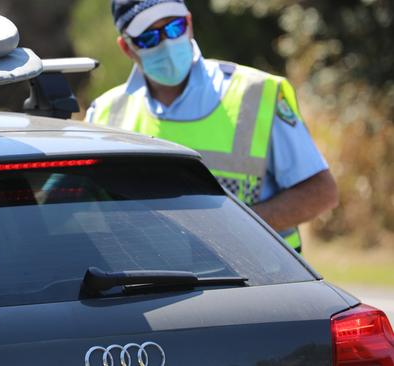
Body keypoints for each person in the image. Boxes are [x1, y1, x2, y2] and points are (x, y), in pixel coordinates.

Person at [86, 0, 339, 252]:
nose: (167, 43)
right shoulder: (104, 114)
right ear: (127, 48)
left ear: (189, 24)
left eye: (175, 28)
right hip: (152, 284)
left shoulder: (258, 94)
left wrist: (233, 228)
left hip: (260, 279)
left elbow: (320, 192)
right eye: (149, 37)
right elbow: (85, 206)